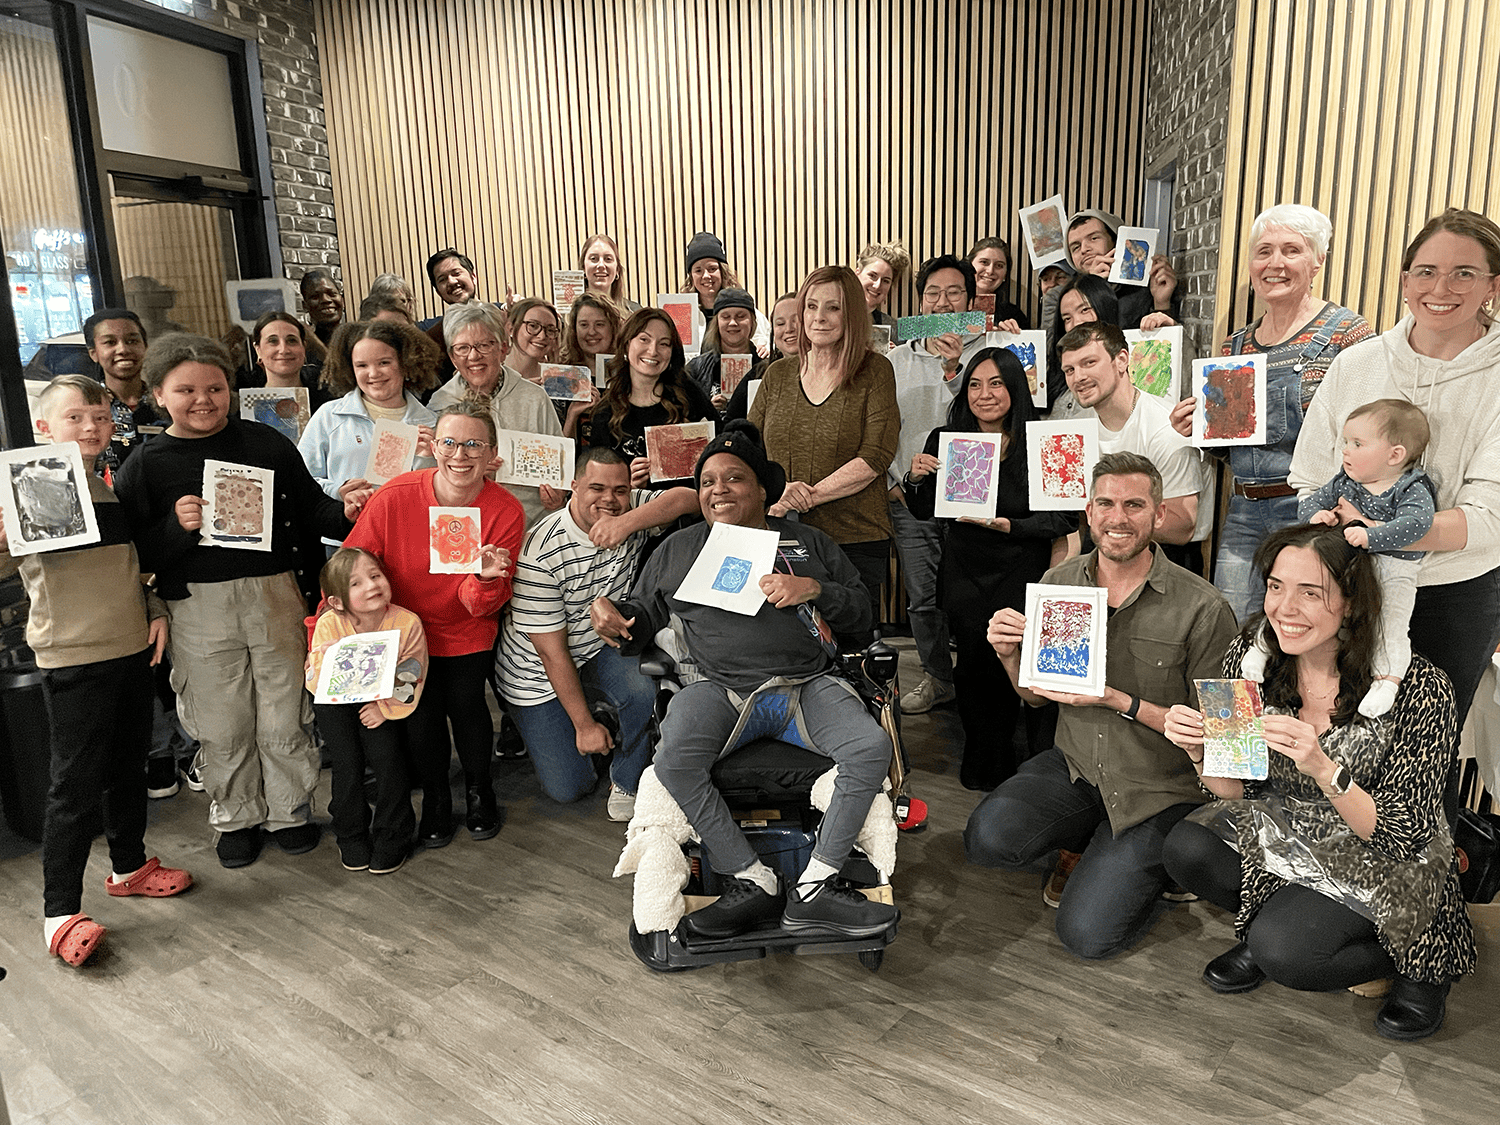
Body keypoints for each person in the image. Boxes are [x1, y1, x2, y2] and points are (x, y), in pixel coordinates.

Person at [1161, 524, 1475, 1041]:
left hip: (1384, 847)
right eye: (1276, 586)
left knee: (1287, 952)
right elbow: (1234, 787)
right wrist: (1200, 749)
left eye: (1311, 593)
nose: (1285, 608)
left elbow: (1406, 833)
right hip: (1294, 830)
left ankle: (1420, 962)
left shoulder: (1420, 687)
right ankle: (1271, 916)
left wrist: (1325, 768)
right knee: (1187, 847)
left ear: (1351, 604)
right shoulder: (1249, 655)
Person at [590, 421, 900, 939]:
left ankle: (816, 886)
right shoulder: (679, 547)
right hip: (722, 689)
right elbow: (640, 618)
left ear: (762, 490)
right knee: (672, 758)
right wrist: (614, 618)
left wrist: (815, 590)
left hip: (806, 684)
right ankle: (752, 880)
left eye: (734, 478)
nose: (718, 490)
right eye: (708, 481)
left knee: (870, 746)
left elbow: (862, 614)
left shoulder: (807, 541)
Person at [964, 452, 1238, 960]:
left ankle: (1159, 860)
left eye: (1134, 505)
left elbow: (1232, 741)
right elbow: (1033, 695)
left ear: (1158, 516)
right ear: (1089, 512)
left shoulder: (1206, 607)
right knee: (988, 838)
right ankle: (1092, 841)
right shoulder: (1057, 585)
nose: (1118, 518)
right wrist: (1008, 656)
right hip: (1077, 767)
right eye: (1106, 504)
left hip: (1159, 788)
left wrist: (1119, 700)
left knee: (1088, 936)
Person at [114, 334, 358, 870]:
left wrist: (348, 511)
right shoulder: (146, 463)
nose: (204, 400)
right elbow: (131, 553)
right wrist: (176, 530)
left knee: (284, 710)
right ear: (158, 394)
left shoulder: (264, 443)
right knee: (221, 721)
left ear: (231, 388)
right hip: (195, 605)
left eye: (216, 388)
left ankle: (290, 811)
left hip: (275, 592)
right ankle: (237, 816)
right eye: (186, 390)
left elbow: (313, 509)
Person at [1290, 208, 1500, 752]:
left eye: (1464, 274)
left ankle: (1427, 840)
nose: (1441, 288)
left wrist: (1372, 528)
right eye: (1425, 271)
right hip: (1348, 580)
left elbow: (1488, 519)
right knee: (1340, 735)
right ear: (1405, 280)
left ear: (1493, 286)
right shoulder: (1357, 364)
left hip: (1453, 592)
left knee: (1425, 750)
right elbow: (1311, 476)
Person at [1, 375, 193, 967]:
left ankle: (129, 865)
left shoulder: (106, 489)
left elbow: (131, 568)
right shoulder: (27, 488)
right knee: (73, 785)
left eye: (101, 418)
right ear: (44, 428)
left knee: (126, 765)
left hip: (131, 647)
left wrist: (155, 610)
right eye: (76, 417)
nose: (91, 428)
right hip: (73, 656)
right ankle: (58, 912)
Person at [1167, 204, 1372, 622]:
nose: (1275, 263)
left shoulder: (1348, 334)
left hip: (1313, 512)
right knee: (1233, 628)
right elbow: (1234, 451)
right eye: (1264, 251)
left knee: (1302, 631)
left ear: (1318, 261)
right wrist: (1199, 432)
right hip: (1243, 511)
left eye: (1291, 250)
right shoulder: (1234, 347)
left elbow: (1371, 436)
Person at [343, 403, 525, 847]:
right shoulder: (396, 496)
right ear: (432, 446)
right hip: (404, 632)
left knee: (468, 707)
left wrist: (483, 579)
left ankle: (481, 789)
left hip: (466, 628)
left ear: (492, 454)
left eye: (472, 444)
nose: (459, 455)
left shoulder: (505, 510)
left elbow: (485, 606)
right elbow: (350, 563)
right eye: (448, 442)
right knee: (420, 718)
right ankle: (438, 798)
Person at [903, 348, 1074, 789]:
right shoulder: (945, 439)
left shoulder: (1045, 440)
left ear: (1016, 387)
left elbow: (1064, 519)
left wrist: (1009, 525)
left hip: (1029, 575)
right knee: (977, 677)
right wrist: (916, 479)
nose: (984, 394)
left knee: (1037, 679)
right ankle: (987, 767)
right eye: (975, 384)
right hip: (968, 577)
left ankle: (1042, 777)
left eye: (996, 383)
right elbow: (926, 511)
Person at [498, 449, 699, 817]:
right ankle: (589, 719)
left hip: (597, 647)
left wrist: (627, 523)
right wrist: (584, 725)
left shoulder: (628, 509)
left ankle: (626, 778)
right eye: (596, 488)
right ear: (573, 487)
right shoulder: (538, 553)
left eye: (620, 490)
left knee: (643, 684)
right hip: (536, 673)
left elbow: (688, 499)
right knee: (569, 788)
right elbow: (552, 654)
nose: (609, 499)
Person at [750, 265, 898, 644]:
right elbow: (749, 446)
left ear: (851, 313)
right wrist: (777, 491)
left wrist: (808, 495)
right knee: (787, 645)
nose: (818, 317)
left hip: (854, 538)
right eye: (811, 306)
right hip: (780, 535)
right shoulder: (777, 374)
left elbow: (876, 455)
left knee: (851, 648)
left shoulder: (876, 371)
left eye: (832, 308)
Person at [887, 254, 987, 712]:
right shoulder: (893, 361)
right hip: (910, 495)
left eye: (953, 294)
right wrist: (893, 482)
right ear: (920, 301)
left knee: (972, 597)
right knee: (923, 599)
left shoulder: (989, 356)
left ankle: (975, 681)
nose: (942, 302)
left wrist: (953, 368)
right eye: (933, 294)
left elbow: (988, 419)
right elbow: (881, 428)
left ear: (970, 300)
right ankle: (937, 677)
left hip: (974, 499)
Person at [305, 548, 427, 874]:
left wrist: (385, 708)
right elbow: (315, 677)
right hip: (335, 704)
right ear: (337, 601)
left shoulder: (406, 622)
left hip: (382, 702)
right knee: (347, 766)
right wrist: (328, 660)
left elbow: (411, 673)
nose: (371, 585)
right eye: (355, 583)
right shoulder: (330, 623)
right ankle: (350, 835)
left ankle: (393, 836)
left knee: (389, 763)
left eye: (375, 576)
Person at [1058, 321, 1212, 572]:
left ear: (1121, 360)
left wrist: (1111, 521)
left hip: (1166, 559)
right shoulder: (1075, 429)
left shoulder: (1165, 427)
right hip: (1101, 551)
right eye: (1069, 370)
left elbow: (1182, 526)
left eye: (1089, 363)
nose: (1079, 377)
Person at [298, 318, 440, 547]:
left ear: (405, 362)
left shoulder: (432, 423)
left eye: (384, 362)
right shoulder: (330, 416)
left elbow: (442, 494)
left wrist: (427, 459)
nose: (373, 373)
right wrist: (339, 490)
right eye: (362, 365)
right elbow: (302, 481)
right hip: (346, 544)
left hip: (410, 542)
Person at [429, 304, 565, 526]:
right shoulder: (441, 404)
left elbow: (558, 469)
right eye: (462, 348)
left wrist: (557, 494)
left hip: (530, 525)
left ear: (503, 348)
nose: (474, 356)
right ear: (453, 357)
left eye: (484, 345)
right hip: (465, 527)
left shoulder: (534, 398)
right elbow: (433, 477)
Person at [587, 307, 718, 488]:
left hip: (692, 509)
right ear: (626, 344)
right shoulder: (605, 413)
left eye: (664, 344)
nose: (653, 351)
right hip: (635, 510)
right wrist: (626, 484)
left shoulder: (688, 392)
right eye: (644, 340)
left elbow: (721, 443)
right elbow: (598, 484)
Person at [1055, 209, 1179, 331]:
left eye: (1094, 238)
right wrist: (1094, 287)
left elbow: (1161, 344)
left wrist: (1162, 303)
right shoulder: (1060, 297)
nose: (1084, 249)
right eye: (1076, 247)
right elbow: (1057, 345)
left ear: (1116, 241)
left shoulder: (1145, 286)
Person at [81, 308, 155, 474]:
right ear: (94, 353)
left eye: (132, 341)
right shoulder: (85, 407)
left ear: (145, 347)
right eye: (110, 342)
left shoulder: (167, 402)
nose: (123, 350)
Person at [681, 231, 771, 354]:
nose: (706, 276)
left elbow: (767, 341)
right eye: (698, 270)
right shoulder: (683, 315)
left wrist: (764, 349)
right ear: (691, 276)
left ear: (722, 272)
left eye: (712, 269)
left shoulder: (743, 309)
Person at [722, 292, 799, 422]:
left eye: (796, 321)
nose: (789, 329)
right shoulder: (760, 373)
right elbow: (732, 423)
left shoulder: (830, 373)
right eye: (780, 323)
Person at [686, 288, 764, 410]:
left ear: (752, 321)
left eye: (740, 316)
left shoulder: (765, 368)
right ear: (717, 322)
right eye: (726, 317)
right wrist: (707, 408)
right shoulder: (696, 368)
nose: (733, 323)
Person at [238, 311, 332, 413]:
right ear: (258, 350)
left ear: (303, 347)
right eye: (273, 341)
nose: (283, 350)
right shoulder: (245, 407)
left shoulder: (329, 400)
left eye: (291, 340)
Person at [968, 236, 1031, 329]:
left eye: (999, 265)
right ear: (969, 265)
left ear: (1005, 274)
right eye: (984, 262)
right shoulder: (949, 307)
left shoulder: (1014, 316)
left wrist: (1008, 338)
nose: (990, 271)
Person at [418, 247, 484, 332]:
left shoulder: (502, 315)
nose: (451, 281)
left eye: (456, 273)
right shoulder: (432, 330)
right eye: (442, 279)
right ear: (438, 291)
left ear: (473, 277)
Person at [560, 291, 624, 377]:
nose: (591, 332)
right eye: (584, 325)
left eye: (599, 324)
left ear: (613, 328)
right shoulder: (561, 373)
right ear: (574, 330)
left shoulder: (630, 372)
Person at [853, 239, 912, 327]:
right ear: (857, 273)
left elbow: (936, 326)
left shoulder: (891, 326)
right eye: (872, 276)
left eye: (885, 281)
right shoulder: (833, 314)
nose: (877, 286)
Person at [578, 233, 641, 312]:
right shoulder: (569, 312)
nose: (601, 265)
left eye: (608, 259)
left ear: (617, 269)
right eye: (594, 258)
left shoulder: (634, 312)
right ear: (583, 268)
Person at [300, 268, 345, 356]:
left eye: (332, 294)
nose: (326, 300)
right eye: (315, 297)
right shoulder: (302, 347)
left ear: (342, 299)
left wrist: (316, 344)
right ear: (305, 305)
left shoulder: (357, 340)